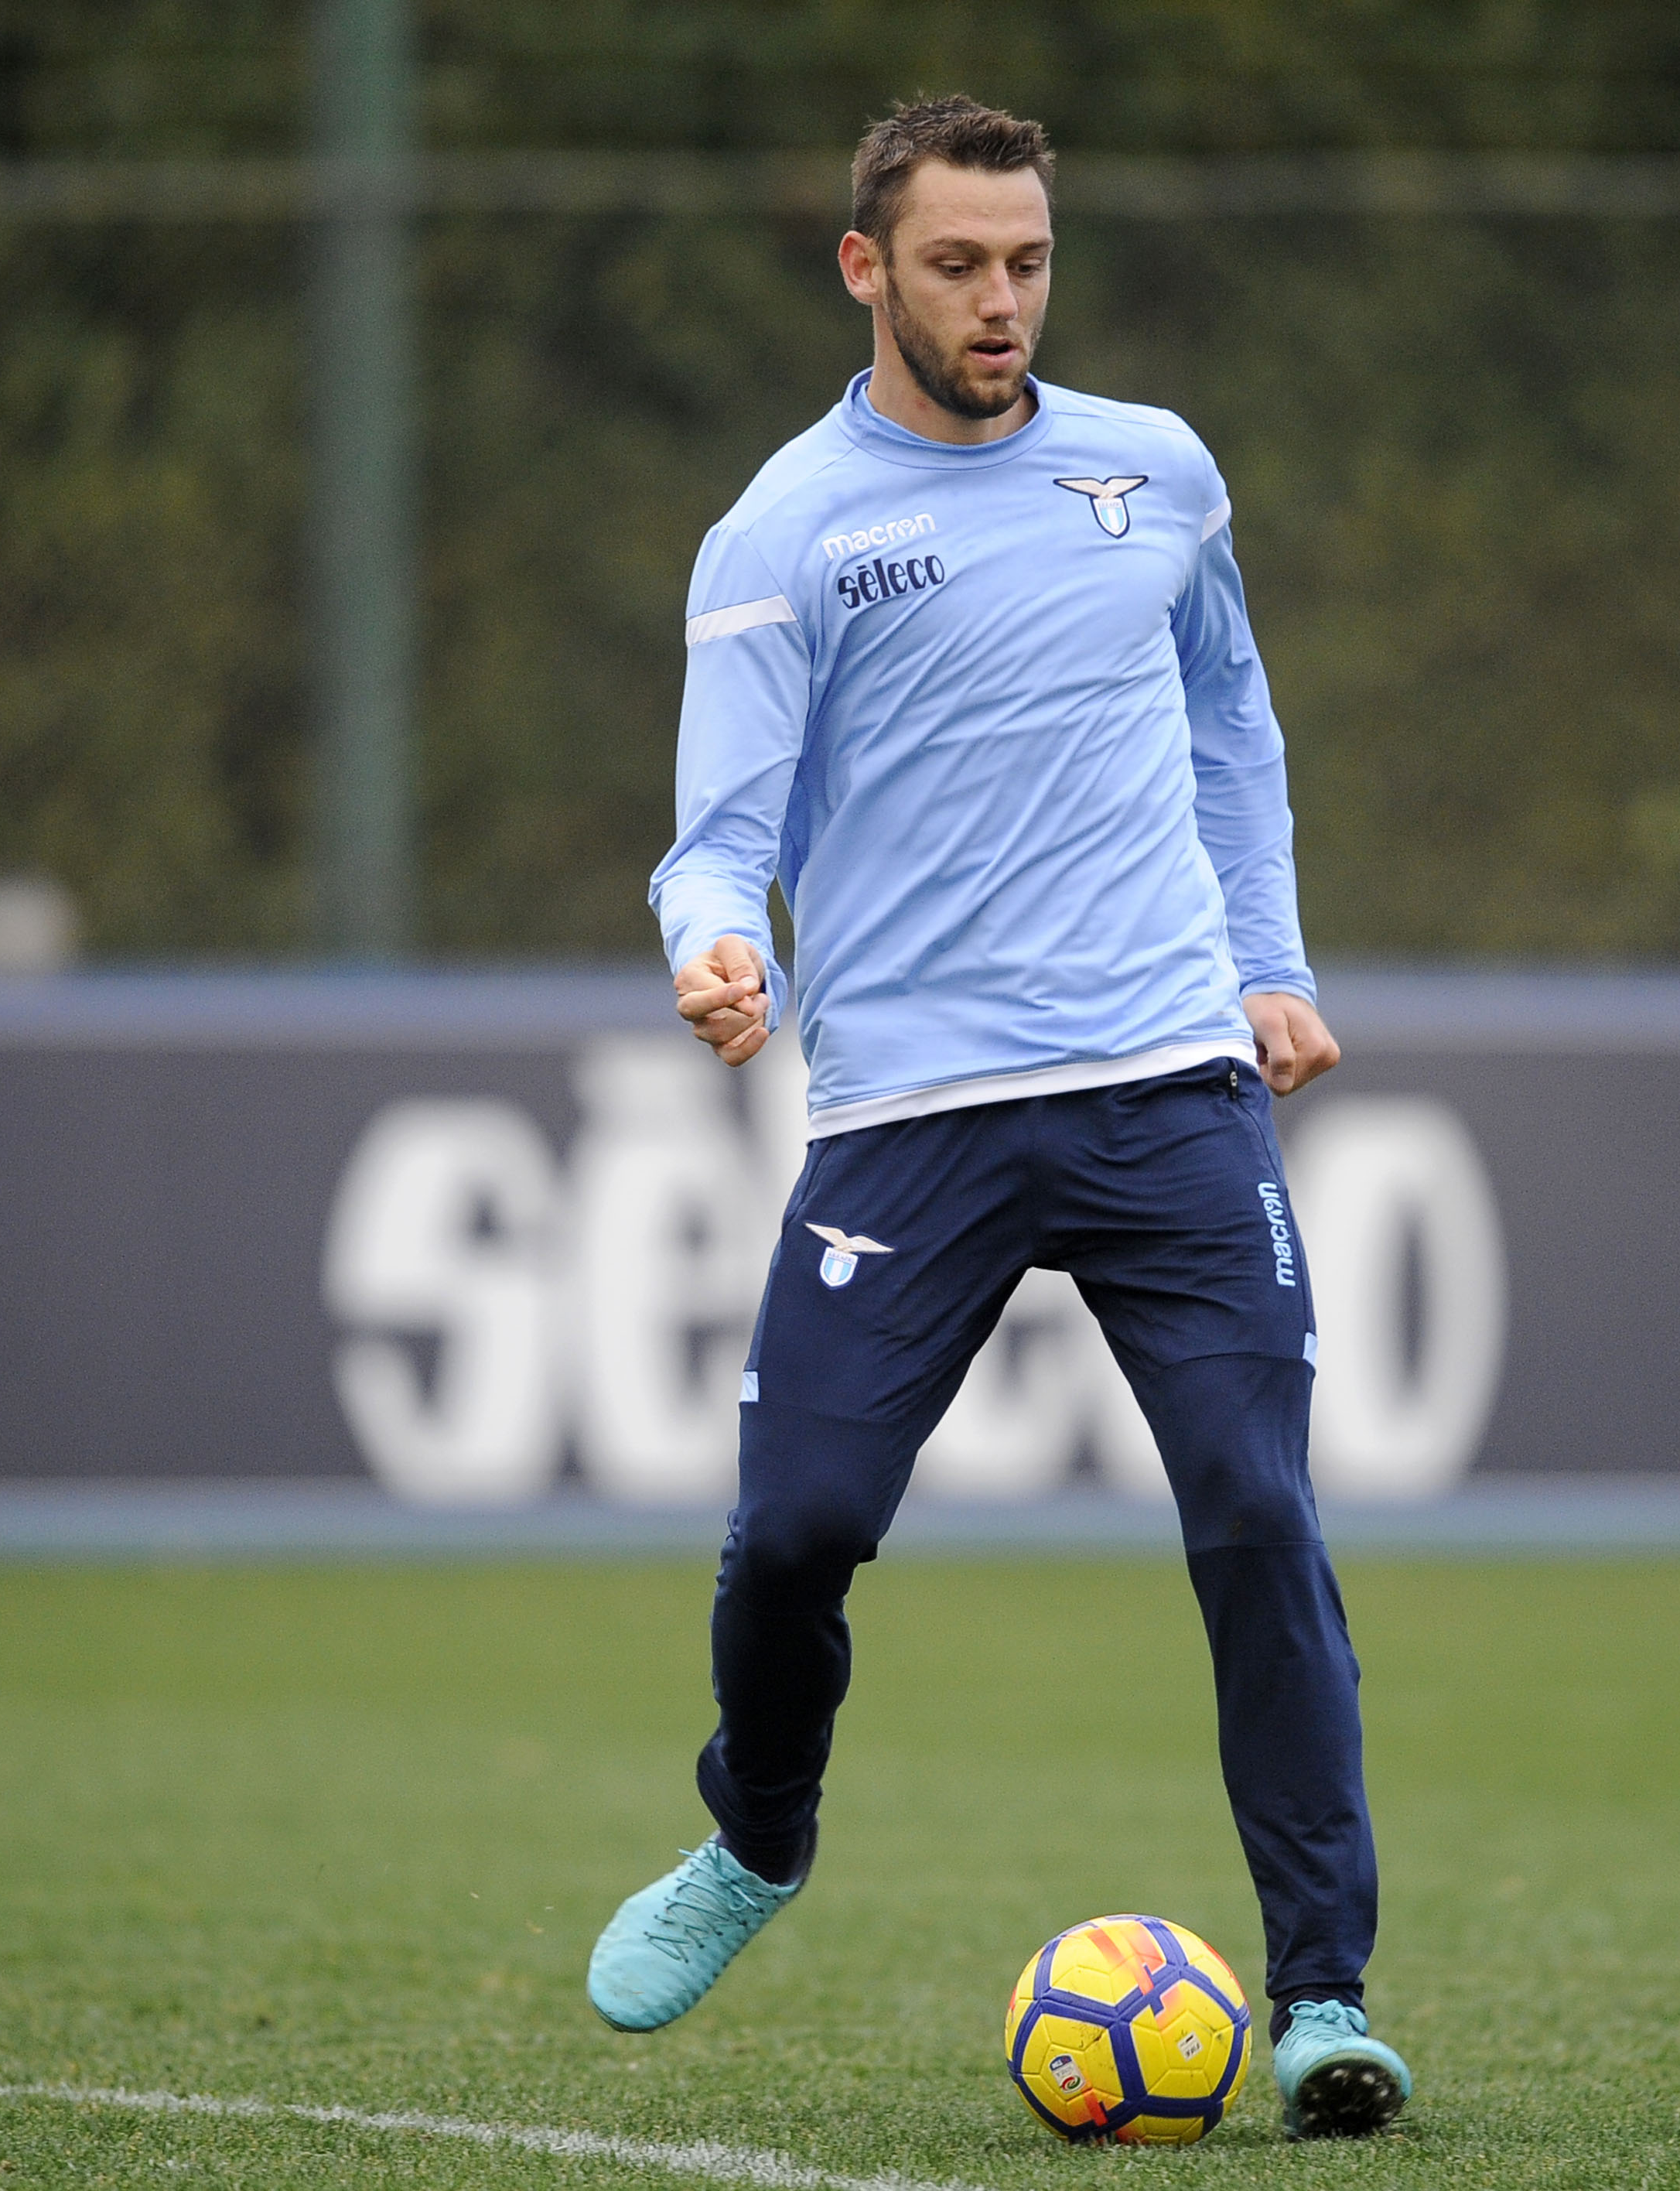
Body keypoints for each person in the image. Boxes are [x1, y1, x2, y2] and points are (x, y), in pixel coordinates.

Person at [587, 94, 1409, 2141]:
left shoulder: (1160, 471)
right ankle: (757, 1838)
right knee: (792, 1537)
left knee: (1258, 1515)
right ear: (867, 267)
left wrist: (1270, 959)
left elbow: (1235, 721)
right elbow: (718, 836)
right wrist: (712, 951)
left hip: (1168, 1091)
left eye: (1028, 261)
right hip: (916, 1119)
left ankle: (1321, 1999)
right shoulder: (783, 532)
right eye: (957, 264)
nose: (1000, 301)